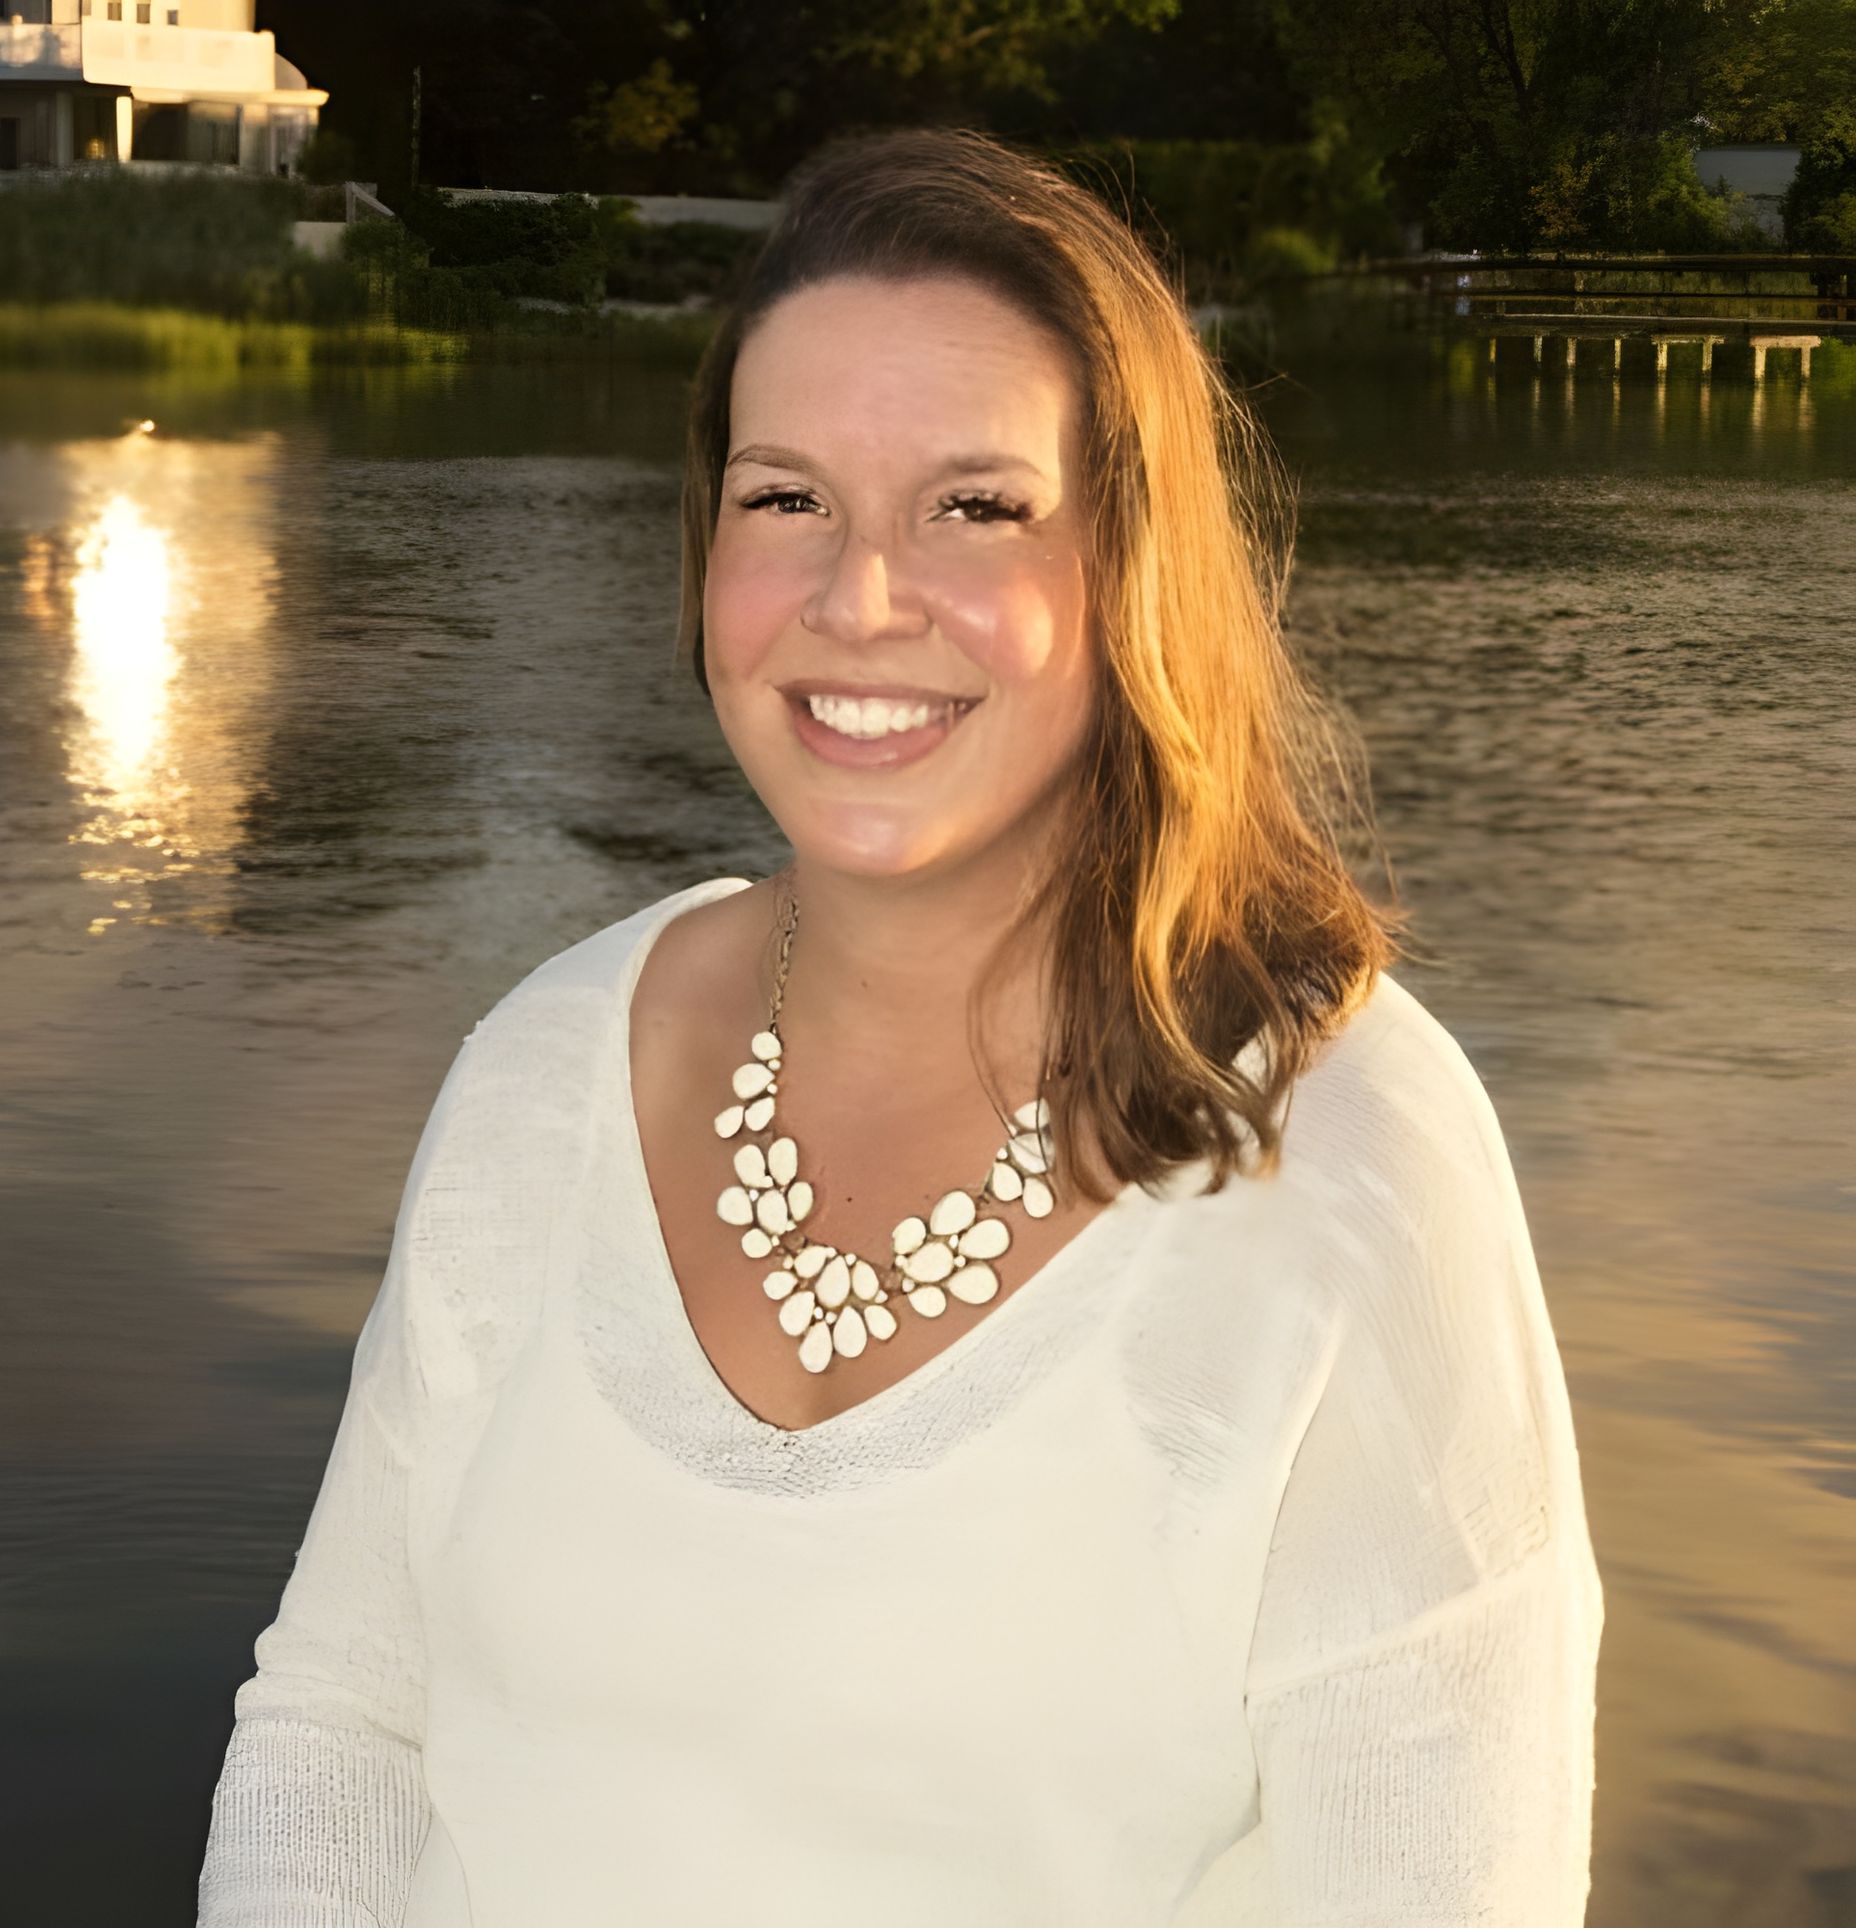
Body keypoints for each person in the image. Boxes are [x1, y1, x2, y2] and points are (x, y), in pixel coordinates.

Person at [196, 126, 1604, 1926]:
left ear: (1138, 565)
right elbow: (344, 1728)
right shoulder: (543, 1071)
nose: (859, 598)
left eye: (976, 506)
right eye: (787, 499)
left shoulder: (1352, 1158)